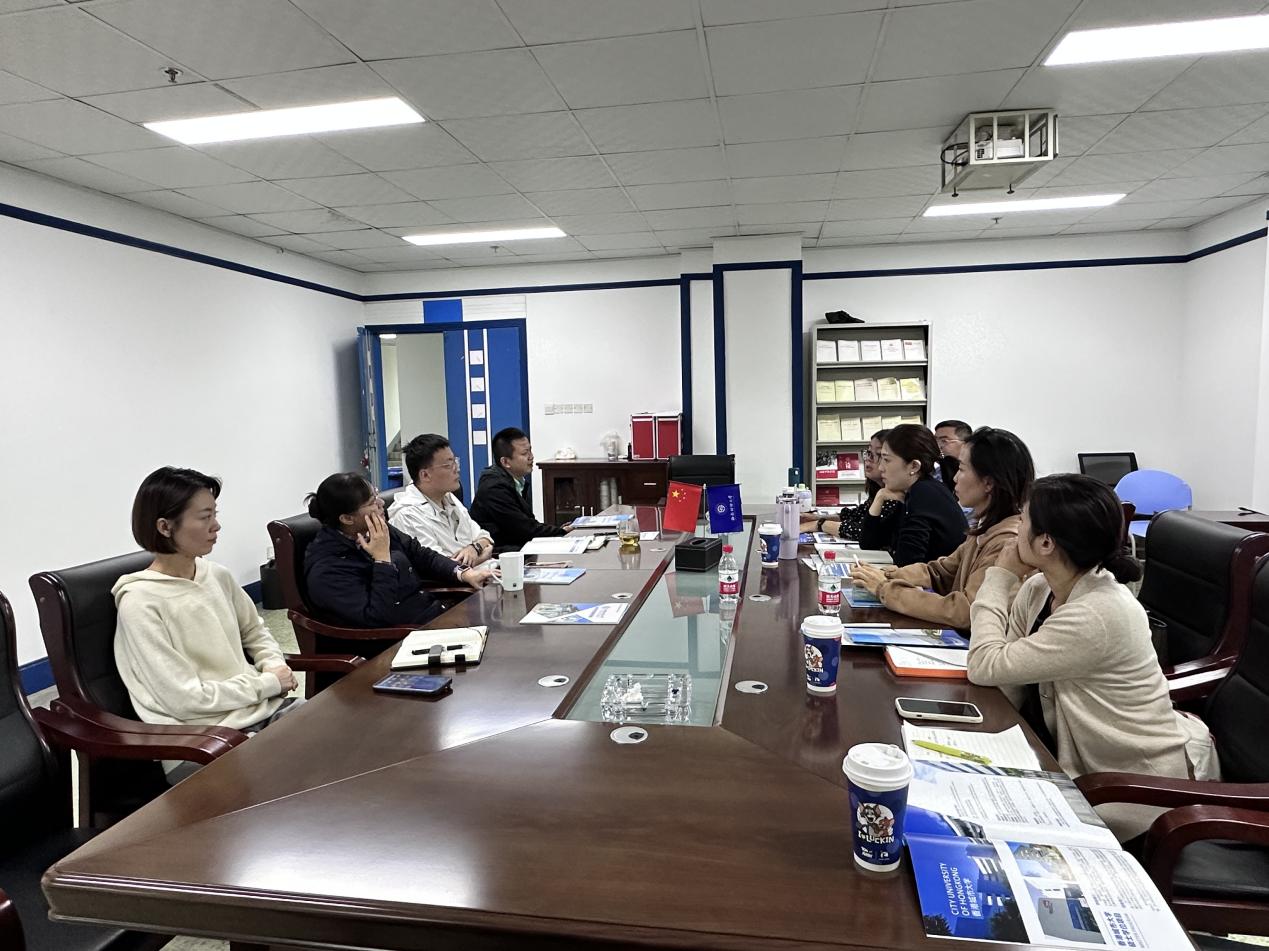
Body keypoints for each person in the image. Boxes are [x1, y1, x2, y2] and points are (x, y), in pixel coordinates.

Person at [967, 474, 1216, 840]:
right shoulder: (1040, 589)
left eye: (1024, 520)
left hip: (1128, 789)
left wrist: (1000, 577)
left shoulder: (1096, 614)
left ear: (1046, 543)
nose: (1016, 529)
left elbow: (985, 665)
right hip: (1063, 761)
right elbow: (1004, 677)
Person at [114, 467, 301, 733]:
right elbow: (184, 699)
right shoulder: (140, 602)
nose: (216, 525)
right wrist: (268, 684)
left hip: (261, 709)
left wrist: (274, 665)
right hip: (206, 734)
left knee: (342, 733)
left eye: (215, 514)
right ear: (165, 527)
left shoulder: (216, 575)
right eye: (205, 517)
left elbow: (254, 631)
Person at [850, 427, 1034, 629]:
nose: (954, 478)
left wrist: (886, 589)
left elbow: (965, 611)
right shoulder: (984, 529)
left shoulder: (1007, 542)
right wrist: (888, 576)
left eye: (962, 469)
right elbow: (939, 572)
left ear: (988, 482)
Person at [304, 472, 495, 629]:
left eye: (377, 496)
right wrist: (382, 560)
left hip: (432, 616)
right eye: (372, 503)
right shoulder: (327, 568)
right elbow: (375, 618)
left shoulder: (375, 531)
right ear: (347, 519)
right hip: (397, 640)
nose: (381, 504)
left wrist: (464, 573)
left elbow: (421, 555)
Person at [859, 424, 967, 566]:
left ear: (914, 466)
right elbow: (869, 543)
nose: (881, 467)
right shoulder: (912, 491)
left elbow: (907, 563)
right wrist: (879, 498)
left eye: (886, 459)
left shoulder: (924, 493)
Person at [388, 433, 494, 567]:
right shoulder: (407, 515)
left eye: (455, 462)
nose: (456, 469)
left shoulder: (448, 497)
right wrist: (482, 556)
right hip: (461, 579)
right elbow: (442, 567)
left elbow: (485, 537)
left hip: (483, 571)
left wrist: (474, 548)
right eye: (448, 465)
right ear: (425, 475)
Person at [470, 427, 573, 553]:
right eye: (525, 454)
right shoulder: (494, 488)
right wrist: (560, 532)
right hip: (499, 553)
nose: (531, 457)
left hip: (516, 545)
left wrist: (557, 530)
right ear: (505, 462)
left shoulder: (517, 481)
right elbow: (524, 529)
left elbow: (528, 524)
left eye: (530, 450)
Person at [801, 429, 902, 542]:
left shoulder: (895, 497)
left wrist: (819, 524)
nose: (868, 459)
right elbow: (858, 515)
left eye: (878, 455)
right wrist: (815, 518)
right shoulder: (879, 490)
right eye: (869, 453)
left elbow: (864, 532)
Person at [934, 419, 972, 485]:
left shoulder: (976, 472)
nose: (938, 446)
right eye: (935, 440)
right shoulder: (936, 471)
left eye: (944, 441)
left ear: (965, 443)